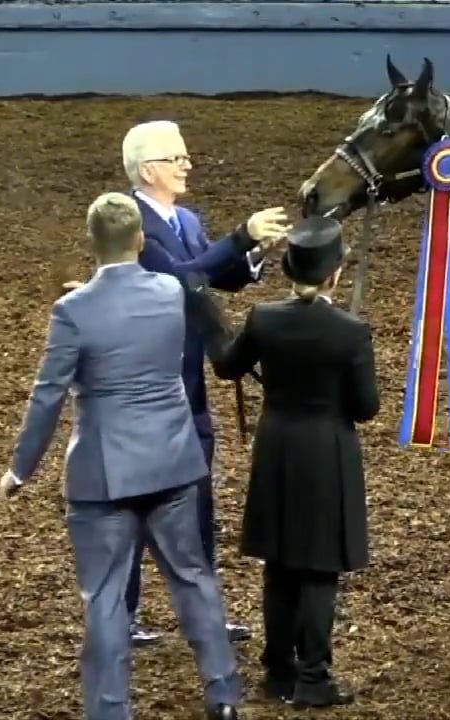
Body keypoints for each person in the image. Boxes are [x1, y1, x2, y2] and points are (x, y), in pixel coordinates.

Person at [0, 192, 243, 720]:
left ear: (92, 242)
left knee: (105, 599)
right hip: (174, 461)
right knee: (194, 580)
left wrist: (21, 469)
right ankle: (223, 698)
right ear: (138, 240)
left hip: (103, 475)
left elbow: (48, 394)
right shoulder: (171, 293)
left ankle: (110, 712)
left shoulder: (73, 311)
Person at [182, 216, 378, 709]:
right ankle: (313, 677)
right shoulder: (351, 331)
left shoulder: (264, 317)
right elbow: (365, 407)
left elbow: (227, 364)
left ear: (290, 268)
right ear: (335, 273)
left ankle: (278, 672)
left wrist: (204, 309)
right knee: (317, 569)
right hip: (327, 449)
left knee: (280, 564)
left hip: (276, 446)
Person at [120, 119, 290, 646]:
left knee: (199, 507)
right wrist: (240, 235)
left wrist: (255, 253)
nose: (187, 165)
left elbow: (220, 274)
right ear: (148, 169)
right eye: (177, 158)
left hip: (189, 384)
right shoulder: (130, 220)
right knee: (135, 511)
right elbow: (180, 277)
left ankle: (204, 614)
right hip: (150, 385)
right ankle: (124, 617)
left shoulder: (186, 218)